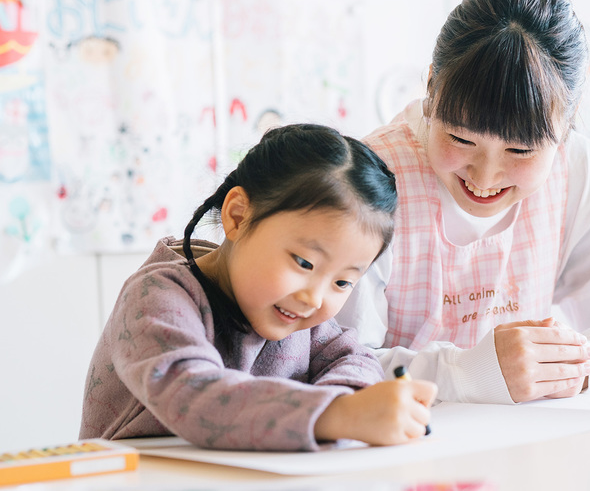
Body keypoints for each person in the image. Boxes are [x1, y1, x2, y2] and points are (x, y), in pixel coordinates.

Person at [335, 0, 590, 405]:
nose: (484, 177)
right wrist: (466, 374)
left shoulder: (578, 171)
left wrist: (578, 364)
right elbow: (328, 364)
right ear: (430, 90)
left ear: (567, 126)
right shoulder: (364, 181)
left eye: (520, 150)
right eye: (461, 139)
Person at [79, 123, 437, 451]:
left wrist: (352, 402)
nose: (314, 297)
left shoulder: (301, 318)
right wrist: (339, 414)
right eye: (303, 263)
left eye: (342, 281)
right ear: (237, 216)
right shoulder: (157, 298)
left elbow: (355, 359)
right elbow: (196, 397)